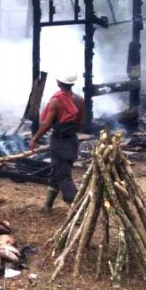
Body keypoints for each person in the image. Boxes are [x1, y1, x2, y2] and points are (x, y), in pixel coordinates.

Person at [29, 73, 85, 212]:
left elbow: (46, 124)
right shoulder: (80, 100)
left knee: (64, 176)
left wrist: (35, 138)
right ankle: (48, 205)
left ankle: (76, 210)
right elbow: (80, 123)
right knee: (57, 172)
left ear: (59, 83)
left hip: (59, 142)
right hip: (72, 141)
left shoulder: (56, 101)